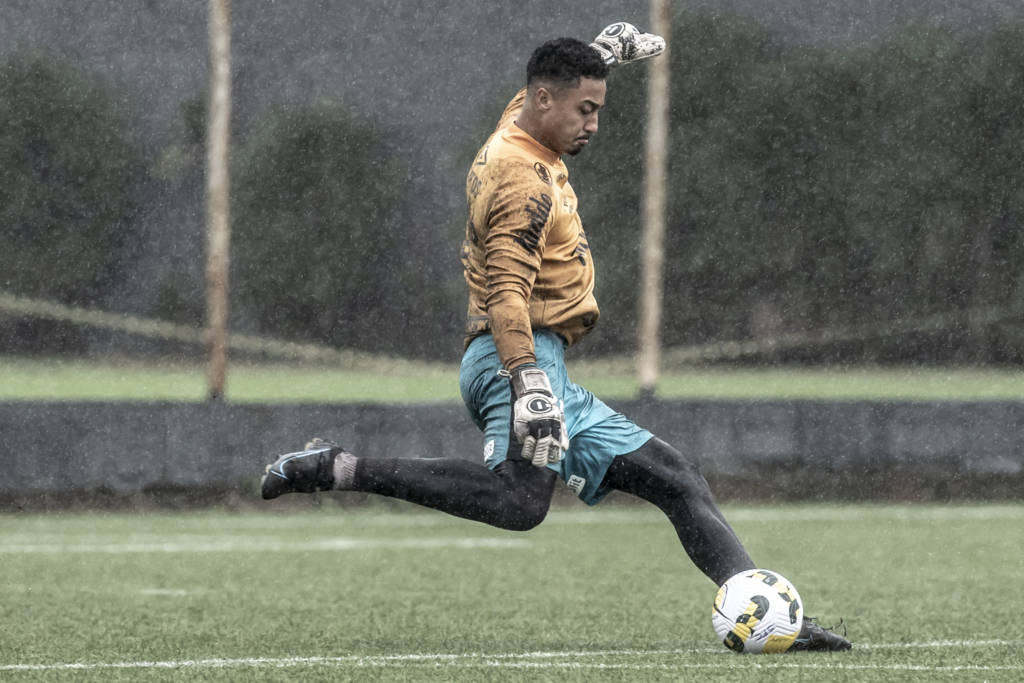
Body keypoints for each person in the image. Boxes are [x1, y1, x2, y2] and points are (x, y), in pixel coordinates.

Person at [261, 23, 851, 652]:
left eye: (597, 109)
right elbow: (505, 295)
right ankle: (337, 468)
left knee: (674, 478)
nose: (593, 124)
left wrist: (603, 54)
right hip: (513, 357)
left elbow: (540, 93)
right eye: (584, 110)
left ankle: (772, 619)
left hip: (540, 360)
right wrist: (529, 382)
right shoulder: (521, 182)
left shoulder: (521, 123)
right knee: (518, 503)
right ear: (545, 100)